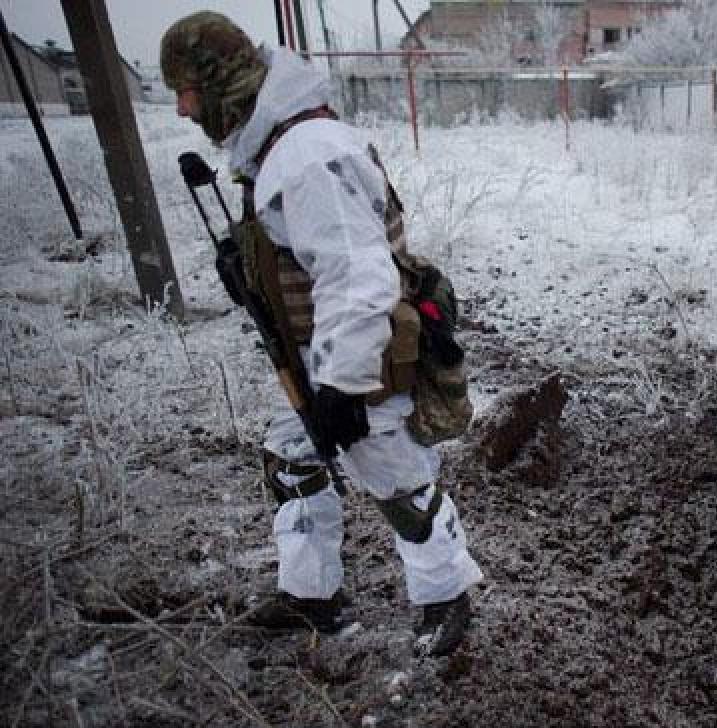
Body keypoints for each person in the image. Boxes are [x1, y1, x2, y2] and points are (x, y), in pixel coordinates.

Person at [160, 12, 482, 656]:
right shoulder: (283, 146)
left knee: (400, 484)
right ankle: (312, 595)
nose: (181, 110)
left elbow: (358, 278)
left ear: (218, 81)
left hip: (358, 356)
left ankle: (446, 601)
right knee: (293, 458)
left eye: (185, 93)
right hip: (327, 355)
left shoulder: (307, 155)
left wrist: (341, 386)